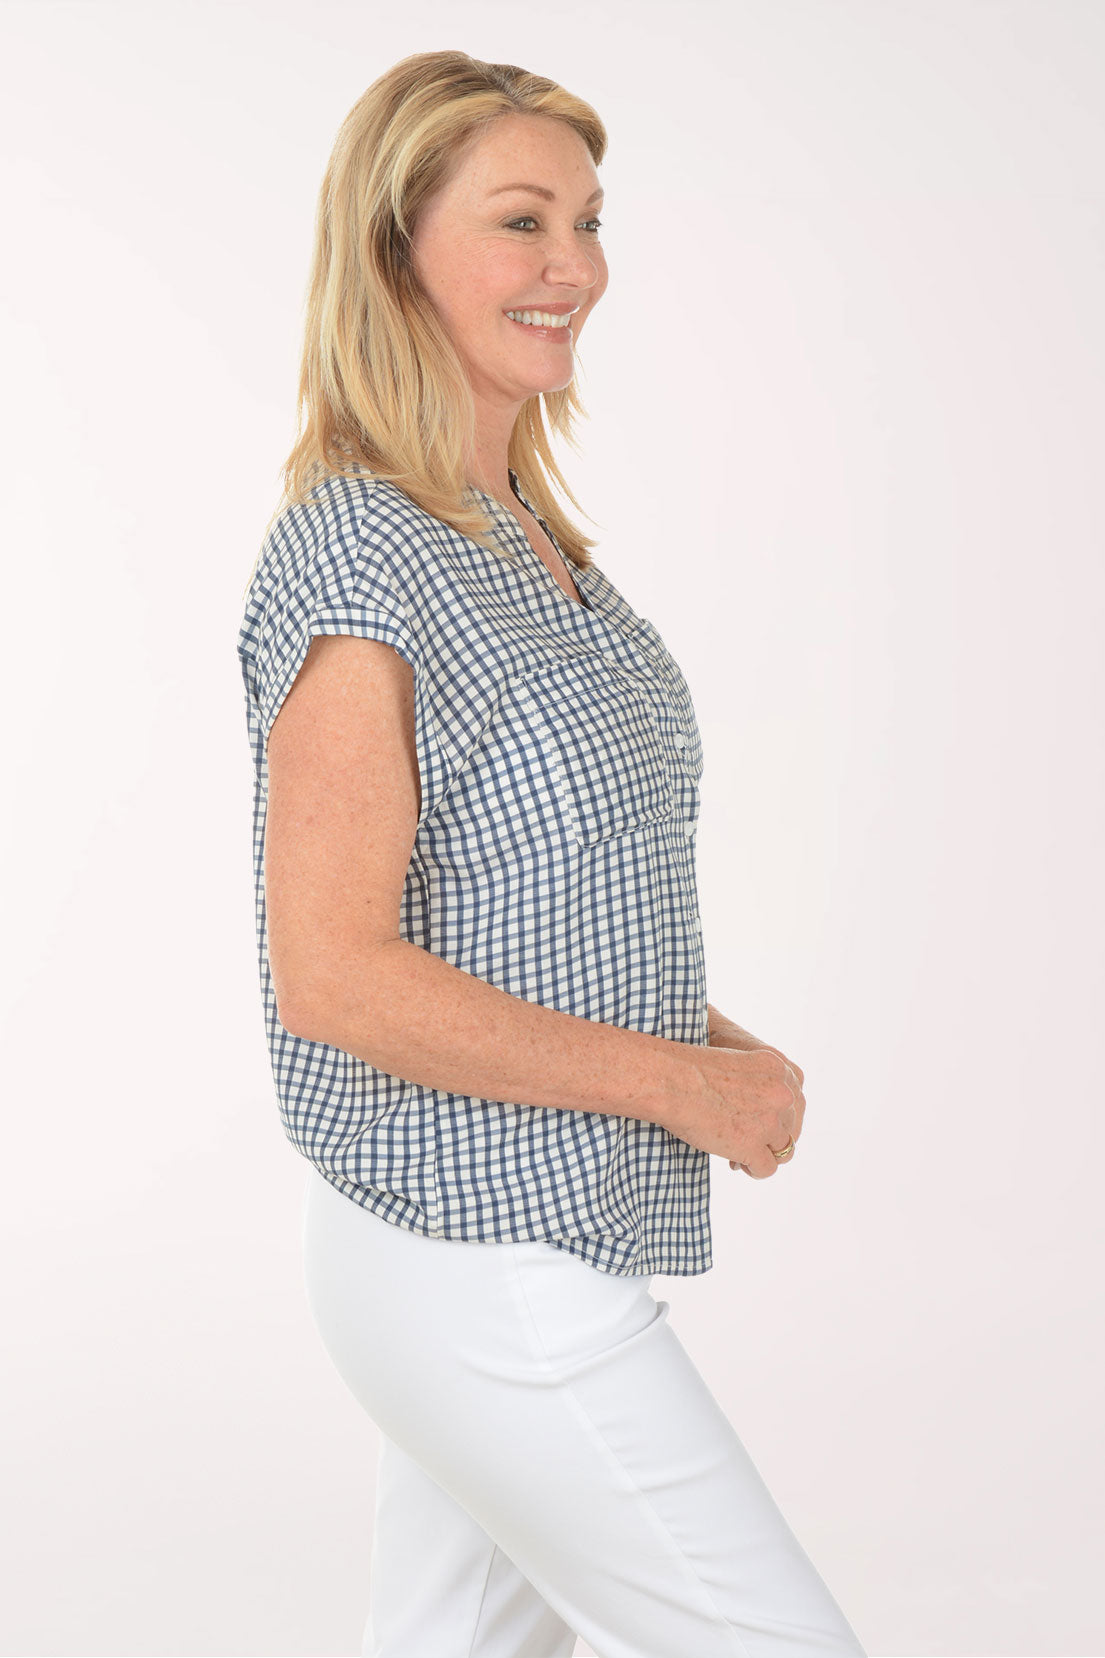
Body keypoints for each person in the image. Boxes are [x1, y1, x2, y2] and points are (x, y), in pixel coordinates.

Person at [236, 48, 867, 1658]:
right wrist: (675, 1085)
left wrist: (707, 1041)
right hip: (471, 1248)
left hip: (520, 1233)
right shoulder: (364, 546)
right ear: (394, 251)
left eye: (587, 220)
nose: (572, 266)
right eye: (521, 221)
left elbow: (544, 897)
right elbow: (336, 975)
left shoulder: (519, 532)